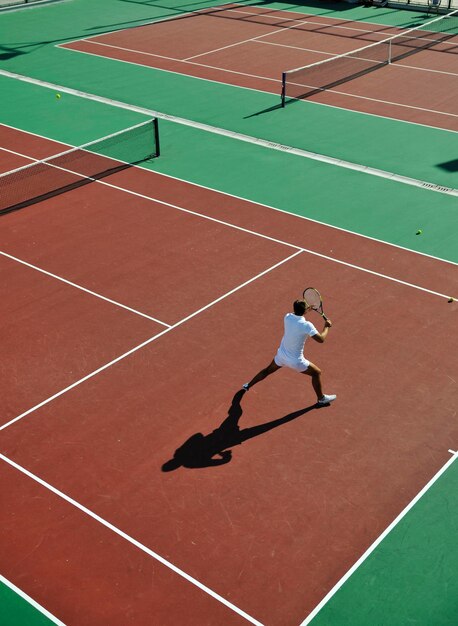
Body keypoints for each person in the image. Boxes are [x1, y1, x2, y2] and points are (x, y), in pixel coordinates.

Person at [243, 299, 336, 405]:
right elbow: (321, 339)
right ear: (305, 310)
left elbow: (296, 314)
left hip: (281, 356)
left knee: (267, 371)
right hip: (296, 361)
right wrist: (326, 327)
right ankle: (321, 399)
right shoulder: (307, 325)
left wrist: (305, 310)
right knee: (316, 373)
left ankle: (248, 386)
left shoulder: (287, 317)